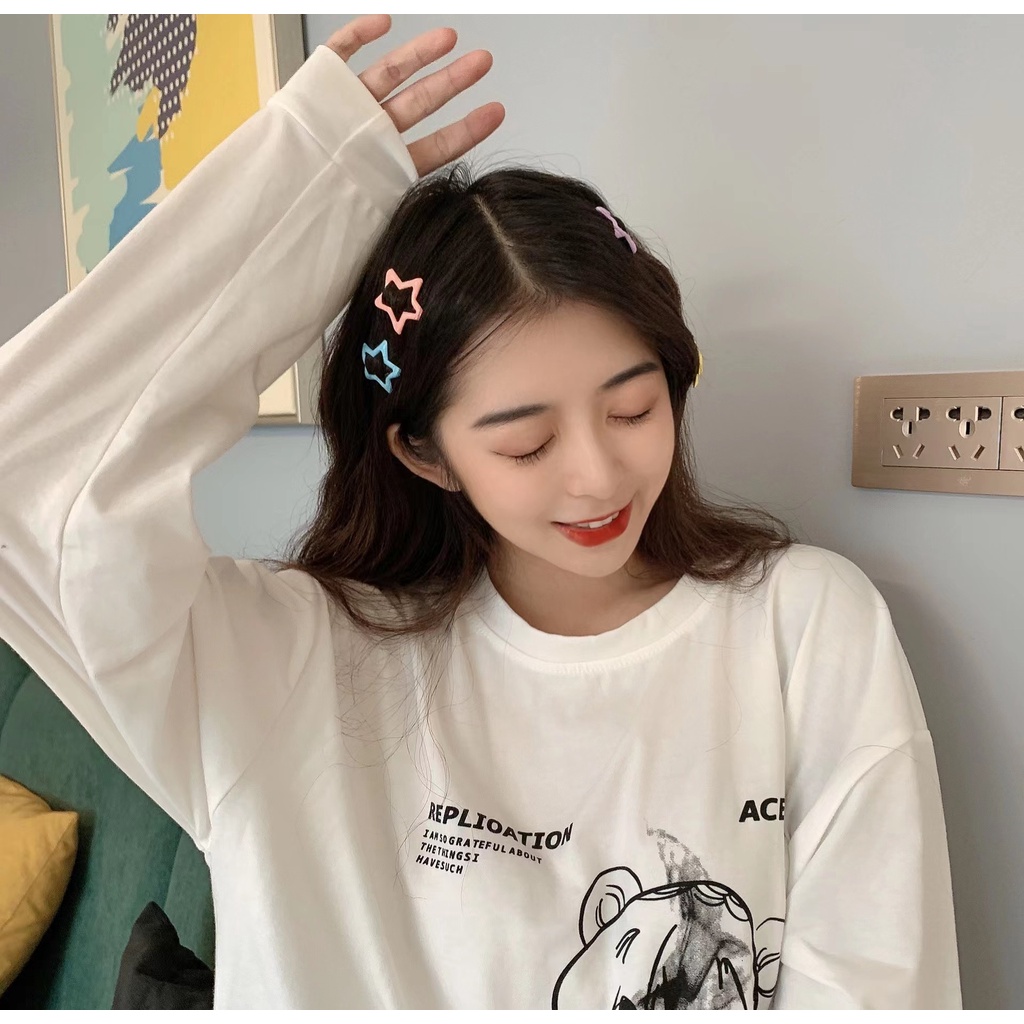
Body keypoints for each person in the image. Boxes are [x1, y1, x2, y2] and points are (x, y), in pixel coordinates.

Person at [0, 13, 961, 1011]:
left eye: (634, 409)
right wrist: (309, 187)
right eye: (526, 443)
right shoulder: (285, 669)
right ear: (425, 453)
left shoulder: (803, 625)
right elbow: (29, 476)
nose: (597, 476)